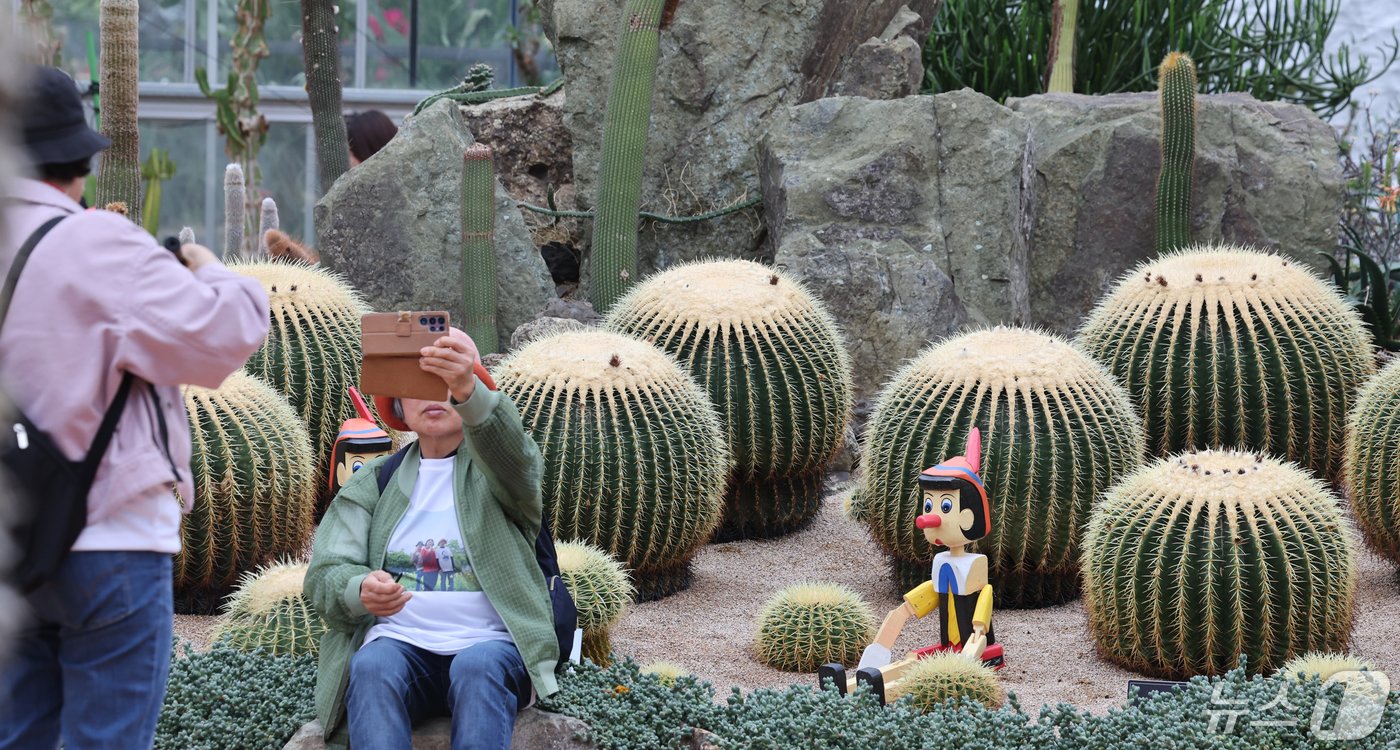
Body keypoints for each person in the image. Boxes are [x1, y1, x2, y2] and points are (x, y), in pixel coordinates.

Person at [0, 66, 271, 749]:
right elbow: (222, 338)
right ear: (82, 161)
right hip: (109, 543)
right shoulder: (98, 243)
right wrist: (209, 266)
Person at [305, 328, 560, 750]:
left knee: (479, 668)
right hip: (400, 645)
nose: (432, 396)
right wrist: (360, 590)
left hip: (492, 647)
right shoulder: (374, 482)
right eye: (417, 386)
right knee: (372, 665)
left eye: (444, 383)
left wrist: (467, 386)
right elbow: (326, 572)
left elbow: (515, 456)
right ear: (400, 407)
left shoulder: (499, 476)